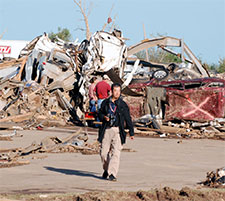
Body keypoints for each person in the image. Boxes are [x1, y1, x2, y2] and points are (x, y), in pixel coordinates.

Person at [98, 83, 134, 181]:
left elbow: (128, 118)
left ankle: (112, 173)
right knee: (103, 153)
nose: (117, 93)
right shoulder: (105, 102)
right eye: (115, 91)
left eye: (119, 91)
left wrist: (131, 132)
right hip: (107, 129)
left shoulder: (122, 104)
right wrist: (103, 117)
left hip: (118, 130)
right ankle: (106, 169)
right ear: (111, 91)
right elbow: (100, 113)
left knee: (116, 153)